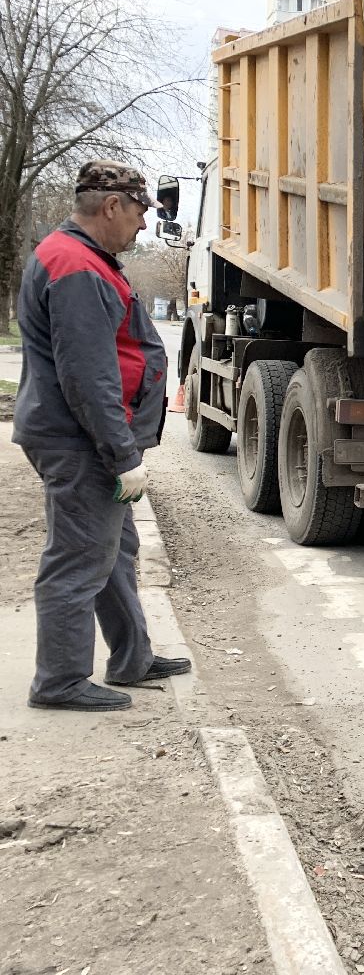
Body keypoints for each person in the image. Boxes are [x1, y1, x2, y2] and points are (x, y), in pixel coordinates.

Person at [13, 160, 189, 712]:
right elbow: (89, 376)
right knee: (79, 558)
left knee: (114, 552)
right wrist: (120, 454)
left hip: (83, 439)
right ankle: (60, 681)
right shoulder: (76, 267)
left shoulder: (83, 259)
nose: (142, 226)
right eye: (140, 212)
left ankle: (131, 657)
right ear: (112, 206)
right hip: (81, 442)